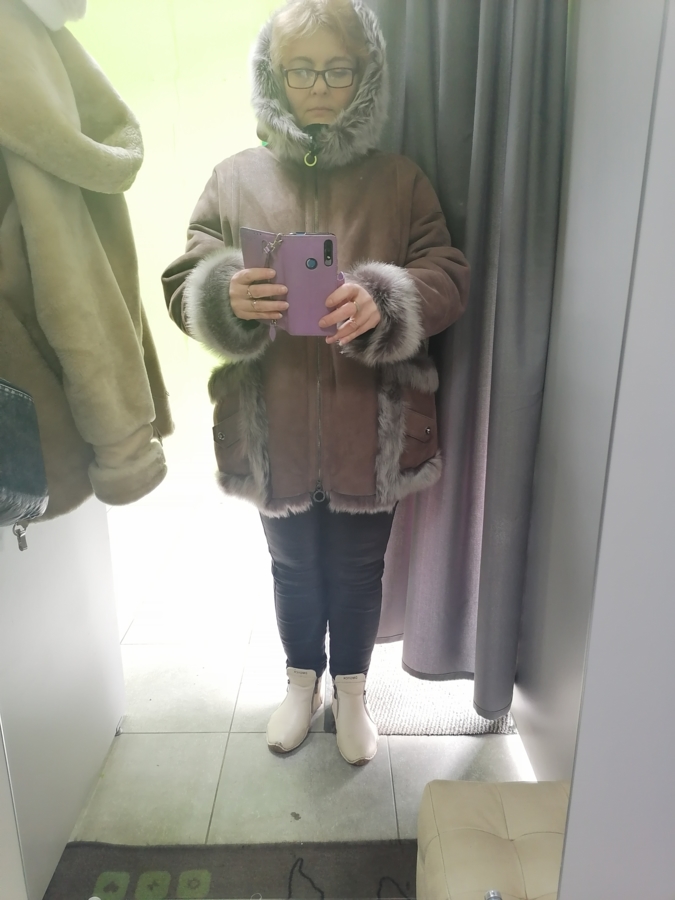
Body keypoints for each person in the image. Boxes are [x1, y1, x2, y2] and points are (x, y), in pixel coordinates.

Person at [162, 0, 470, 765]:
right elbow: (181, 276)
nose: (320, 87)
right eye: (301, 70)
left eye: (337, 70)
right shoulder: (234, 178)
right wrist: (222, 290)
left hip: (374, 421)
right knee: (292, 565)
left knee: (360, 568)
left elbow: (447, 272)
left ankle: (353, 693)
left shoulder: (399, 180)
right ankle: (300, 683)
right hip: (273, 425)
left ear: (364, 76)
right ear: (273, 77)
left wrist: (385, 297)